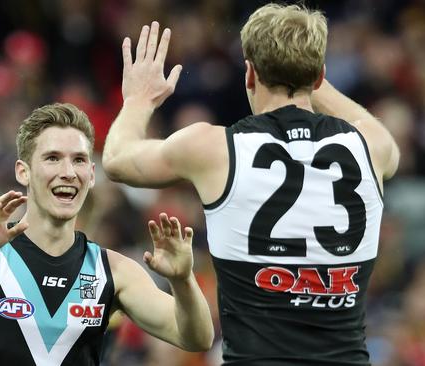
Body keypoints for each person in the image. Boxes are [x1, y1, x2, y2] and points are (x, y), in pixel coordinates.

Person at [102, 4, 399, 365]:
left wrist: (138, 99)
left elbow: (117, 160)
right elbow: (362, 121)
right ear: (321, 76)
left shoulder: (214, 149)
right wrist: (302, 67)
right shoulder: (374, 147)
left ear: (249, 74)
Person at [0, 103, 213, 365]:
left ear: (90, 175)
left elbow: (196, 338)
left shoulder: (113, 270)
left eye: (79, 161)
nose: (67, 172)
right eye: (52, 158)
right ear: (23, 171)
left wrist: (182, 281)